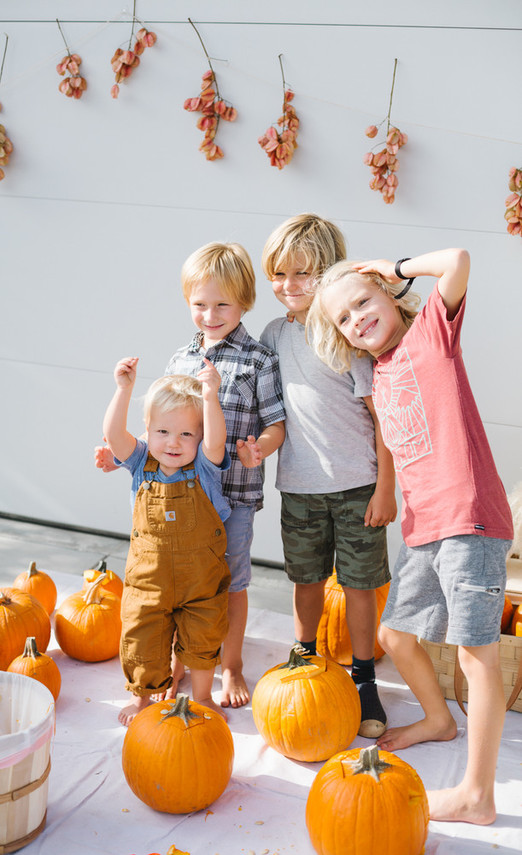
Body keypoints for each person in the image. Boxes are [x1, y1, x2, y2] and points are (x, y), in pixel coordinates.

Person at [306, 248, 513, 824]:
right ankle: (439, 720)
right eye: (343, 319)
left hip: (469, 518)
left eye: (363, 302)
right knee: (396, 636)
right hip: (426, 526)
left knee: (477, 659)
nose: (357, 319)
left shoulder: (430, 335)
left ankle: (477, 796)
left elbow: (459, 261)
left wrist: (392, 269)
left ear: (388, 296)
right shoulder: (379, 371)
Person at [96, 242, 286, 708]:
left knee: (230, 583)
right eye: (200, 304)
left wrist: (258, 448)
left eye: (222, 304)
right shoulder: (181, 358)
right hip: (179, 494)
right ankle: (183, 662)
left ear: (244, 301)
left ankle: (232, 664)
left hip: (234, 494)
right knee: (181, 586)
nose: (210, 314)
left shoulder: (260, 360)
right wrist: (117, 452)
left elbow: (277, 424)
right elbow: (159, 421)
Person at [252, 214, 397, 737]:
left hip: (359, 486)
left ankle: (362, 677)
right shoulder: (271, 335)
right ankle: (305, 655)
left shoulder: (346, 335)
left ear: (329, 272)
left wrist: (386, 486)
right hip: (300, 487)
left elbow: (383, 417)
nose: (289, 286)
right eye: (279, 274)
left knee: (360, 586)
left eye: (303, 274)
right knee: (306, 580)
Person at [103, 356, 232, 726]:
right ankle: (142, 698)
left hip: (200, 581)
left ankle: (204, 696)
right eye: (162, 432)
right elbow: (114, 436)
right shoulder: (139, 460)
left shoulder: (205, 466)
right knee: (141, 635)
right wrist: (123, 389)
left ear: (200, 437)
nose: (173, 443)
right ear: (148, 430)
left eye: (186, 434)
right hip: (149, 580)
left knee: (204, 637)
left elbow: (217, 437)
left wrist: (210, 396)